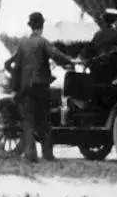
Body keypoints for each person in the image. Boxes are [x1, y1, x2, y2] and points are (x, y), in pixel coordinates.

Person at [10, 12, 75, 162]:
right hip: (41, 87)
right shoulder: (43, 42)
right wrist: (70, 61)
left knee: (28, 121)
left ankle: (30, 154)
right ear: (42, 26)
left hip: (26, 88)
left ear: (30, 26)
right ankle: (47, 154)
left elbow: (17, 67)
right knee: (45, 121)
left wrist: (15, 89)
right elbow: (56, 55)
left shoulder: (23, 44)